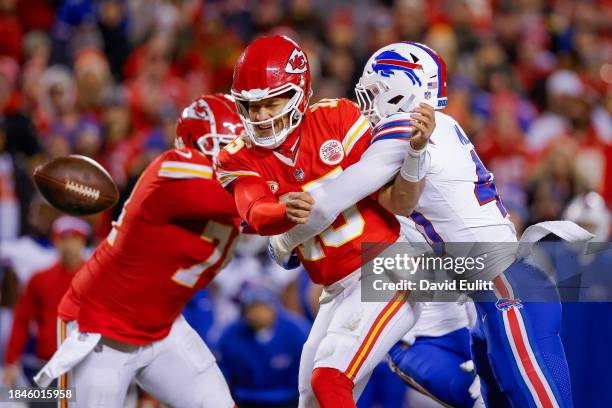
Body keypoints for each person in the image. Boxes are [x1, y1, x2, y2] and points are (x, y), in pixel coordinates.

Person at [269, 42, 592, 408]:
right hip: (491, 291)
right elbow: (396, 202)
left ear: (403, 87)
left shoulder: (404, 124)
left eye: (375, 91)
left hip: (507, 287)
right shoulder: (437, 129)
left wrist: (283, 241)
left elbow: (334, 198)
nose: (366, 103)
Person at [216, 35, 436, 408]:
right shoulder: (238, 156)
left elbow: (395, 197)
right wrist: (281, 212)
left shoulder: (337, 118)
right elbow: (253, 209)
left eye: (271, 102)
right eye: (251, 106)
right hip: (336, 287)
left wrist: (415, 153)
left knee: (329, 380)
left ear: (298, 94)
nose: (260, 116)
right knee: (311, 398)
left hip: (386, 268)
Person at [34, 94, 244, 408]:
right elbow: (252, 204)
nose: (237, 155)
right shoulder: (174, 168)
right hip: (101, 329)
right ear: (195, 145)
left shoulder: (242, 186)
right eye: (227, 145)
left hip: (163, 327)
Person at [3, 216, 89, 389]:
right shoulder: (40, 279)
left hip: (85, 367)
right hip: (46, 365)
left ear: (82, 242)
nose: (68, 245)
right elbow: (22, 320)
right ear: (55, 242)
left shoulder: (96, 279)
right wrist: (11, 361)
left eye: (74, 239)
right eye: (63, 239)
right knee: (31, 400)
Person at [218, 284, 310, 408]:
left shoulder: (296, 331)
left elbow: (307, 372)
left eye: (262, 307)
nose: (258, 313)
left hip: (288, 400)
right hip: (246, 399)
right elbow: (224, 374)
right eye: (252, 308)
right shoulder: (230, 335)